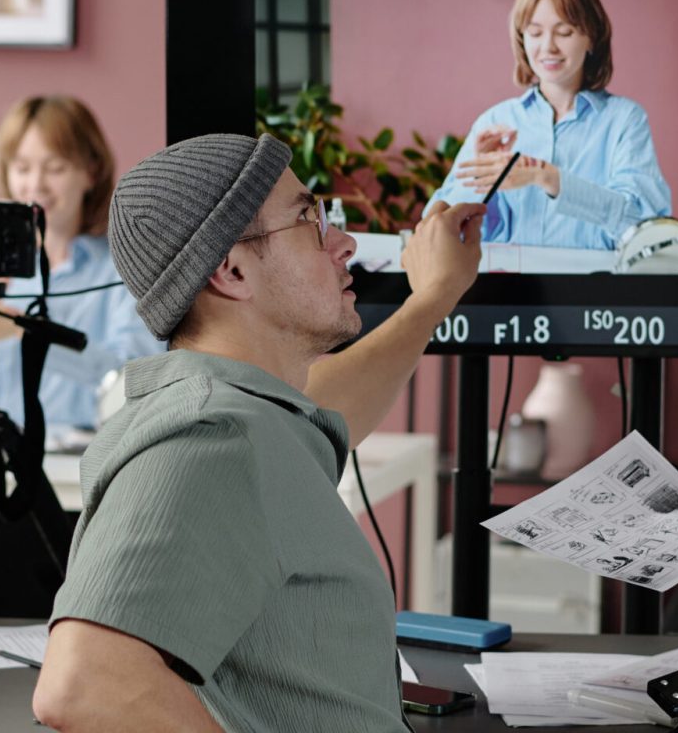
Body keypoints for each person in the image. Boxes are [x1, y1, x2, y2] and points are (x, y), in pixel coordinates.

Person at [29, 134, 487, 731]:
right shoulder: (211, 440)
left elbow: (329, 403)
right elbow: (84, 685)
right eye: (310, 221)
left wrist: (434, 297)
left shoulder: (252, 416)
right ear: (233, 269)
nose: (344, 244)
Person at [0, 96, 159, 444]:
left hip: (90, 459)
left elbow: (137, 382)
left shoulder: (124, 270)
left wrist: (26, 333)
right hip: (2, 457)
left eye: (54, 168)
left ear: (91, 171)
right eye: (21, 168)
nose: (35, 186)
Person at [426, 0, 672, 250]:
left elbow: (644, 226)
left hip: (595, 289)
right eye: (535, 32)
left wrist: (550, 178)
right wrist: (479, 180)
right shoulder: (495, 121)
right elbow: (435, 228)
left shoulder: (625, 120)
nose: (548, 47)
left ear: (591, 37)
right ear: (522, 39)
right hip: (504, 289)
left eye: (564, 32)